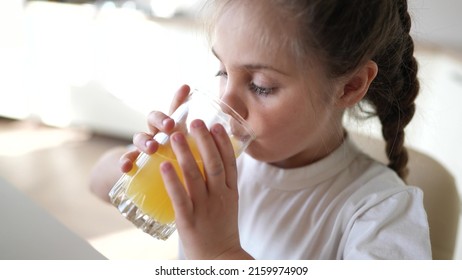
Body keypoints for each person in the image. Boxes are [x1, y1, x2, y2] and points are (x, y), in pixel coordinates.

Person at [90, 0, 432, 259]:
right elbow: (97, 182)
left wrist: (220, 253)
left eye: (261, 86)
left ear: (349, 86)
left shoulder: (380, 213)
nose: (228, 104)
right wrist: (144, 162)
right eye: (222, 70)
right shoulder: (220, 160)